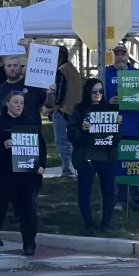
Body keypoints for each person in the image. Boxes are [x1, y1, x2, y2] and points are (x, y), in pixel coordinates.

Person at [0, 92, 47, 255]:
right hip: (3, 174)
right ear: (7, 103)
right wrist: (2, 145)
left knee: (28, 210)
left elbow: (41, 147)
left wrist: (42, 165)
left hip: (26, 174)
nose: (18, 105)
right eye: (15, 102)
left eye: (21, 102)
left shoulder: (30, 123)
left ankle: (29, 243)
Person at [100, 44, 139, 213]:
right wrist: (108, 102)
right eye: (117, 54)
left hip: (135, 123)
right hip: (114, 125)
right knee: (118, 163)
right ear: (113, 55)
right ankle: (120, 200)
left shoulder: (138, 74)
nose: (120, 57)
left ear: (128, 55)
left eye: (123, 54)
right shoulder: (105, 74)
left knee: (138, 162)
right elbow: (95, 96)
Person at [67, 79, 120, 235]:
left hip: (106, 156)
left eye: (101, 91)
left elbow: (117, 138)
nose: (98, 94)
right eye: (94, 91)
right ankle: (88, 223)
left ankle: (106, 222)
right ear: (87, 92)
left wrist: (118, 126)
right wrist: (82, 129)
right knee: (85, 191)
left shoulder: (109, 110)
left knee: (109, 190)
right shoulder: (78, 111)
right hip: (86, 158)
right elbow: (72, 135)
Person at [0, 53, 55, 125]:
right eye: (9, 66)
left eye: (15, 65)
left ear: (20, 67)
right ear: (4, 68)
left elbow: (49, 106)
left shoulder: (32, 85)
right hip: (9, 133)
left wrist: (50, 94)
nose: (12, 68)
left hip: (32, 131)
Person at [52, 46, 82, 178]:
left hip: (63, 110)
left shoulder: (61, 70)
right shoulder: (72, 68)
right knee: (73, 142)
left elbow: (60, 91)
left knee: (62, 142)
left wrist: (56, 106)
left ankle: (67, 170)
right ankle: (75, 168)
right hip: (75, 109)